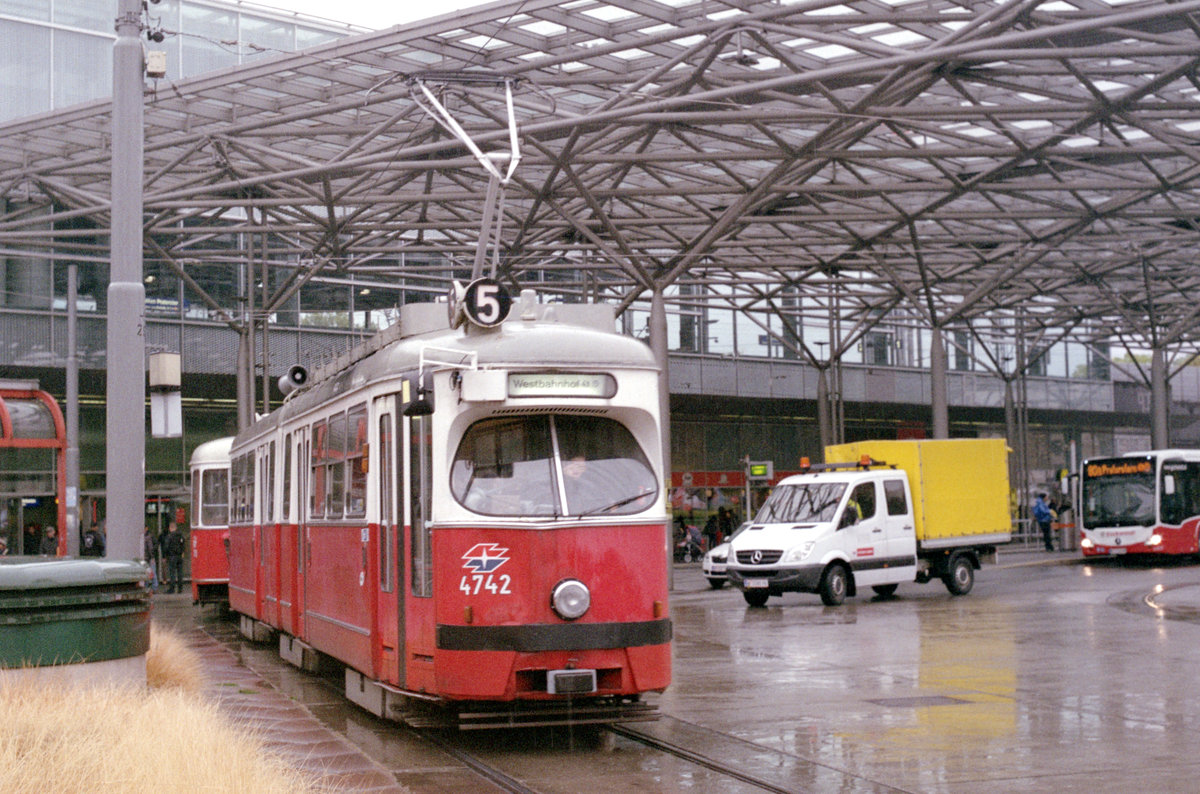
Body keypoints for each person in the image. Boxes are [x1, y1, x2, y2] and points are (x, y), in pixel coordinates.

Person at [163, 522, 186, 594]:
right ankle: (180, 589)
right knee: (180, 572)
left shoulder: (169, 536)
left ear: (170, 528)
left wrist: (165, 556)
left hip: (172, 556)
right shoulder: (181, 535)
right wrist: (182, 552)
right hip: (179, 556)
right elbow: (183, 544)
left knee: (172, 573)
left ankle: (172, 589)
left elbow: (166, 547)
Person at [143, 526, 159, 592]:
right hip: (149, 558)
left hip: (148, 558)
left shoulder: (147, 537)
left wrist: (152, 557)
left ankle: (152, 587)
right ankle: (153, 587)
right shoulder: (150, 536)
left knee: (151, 573)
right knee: (151, 572)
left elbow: (150, 548)